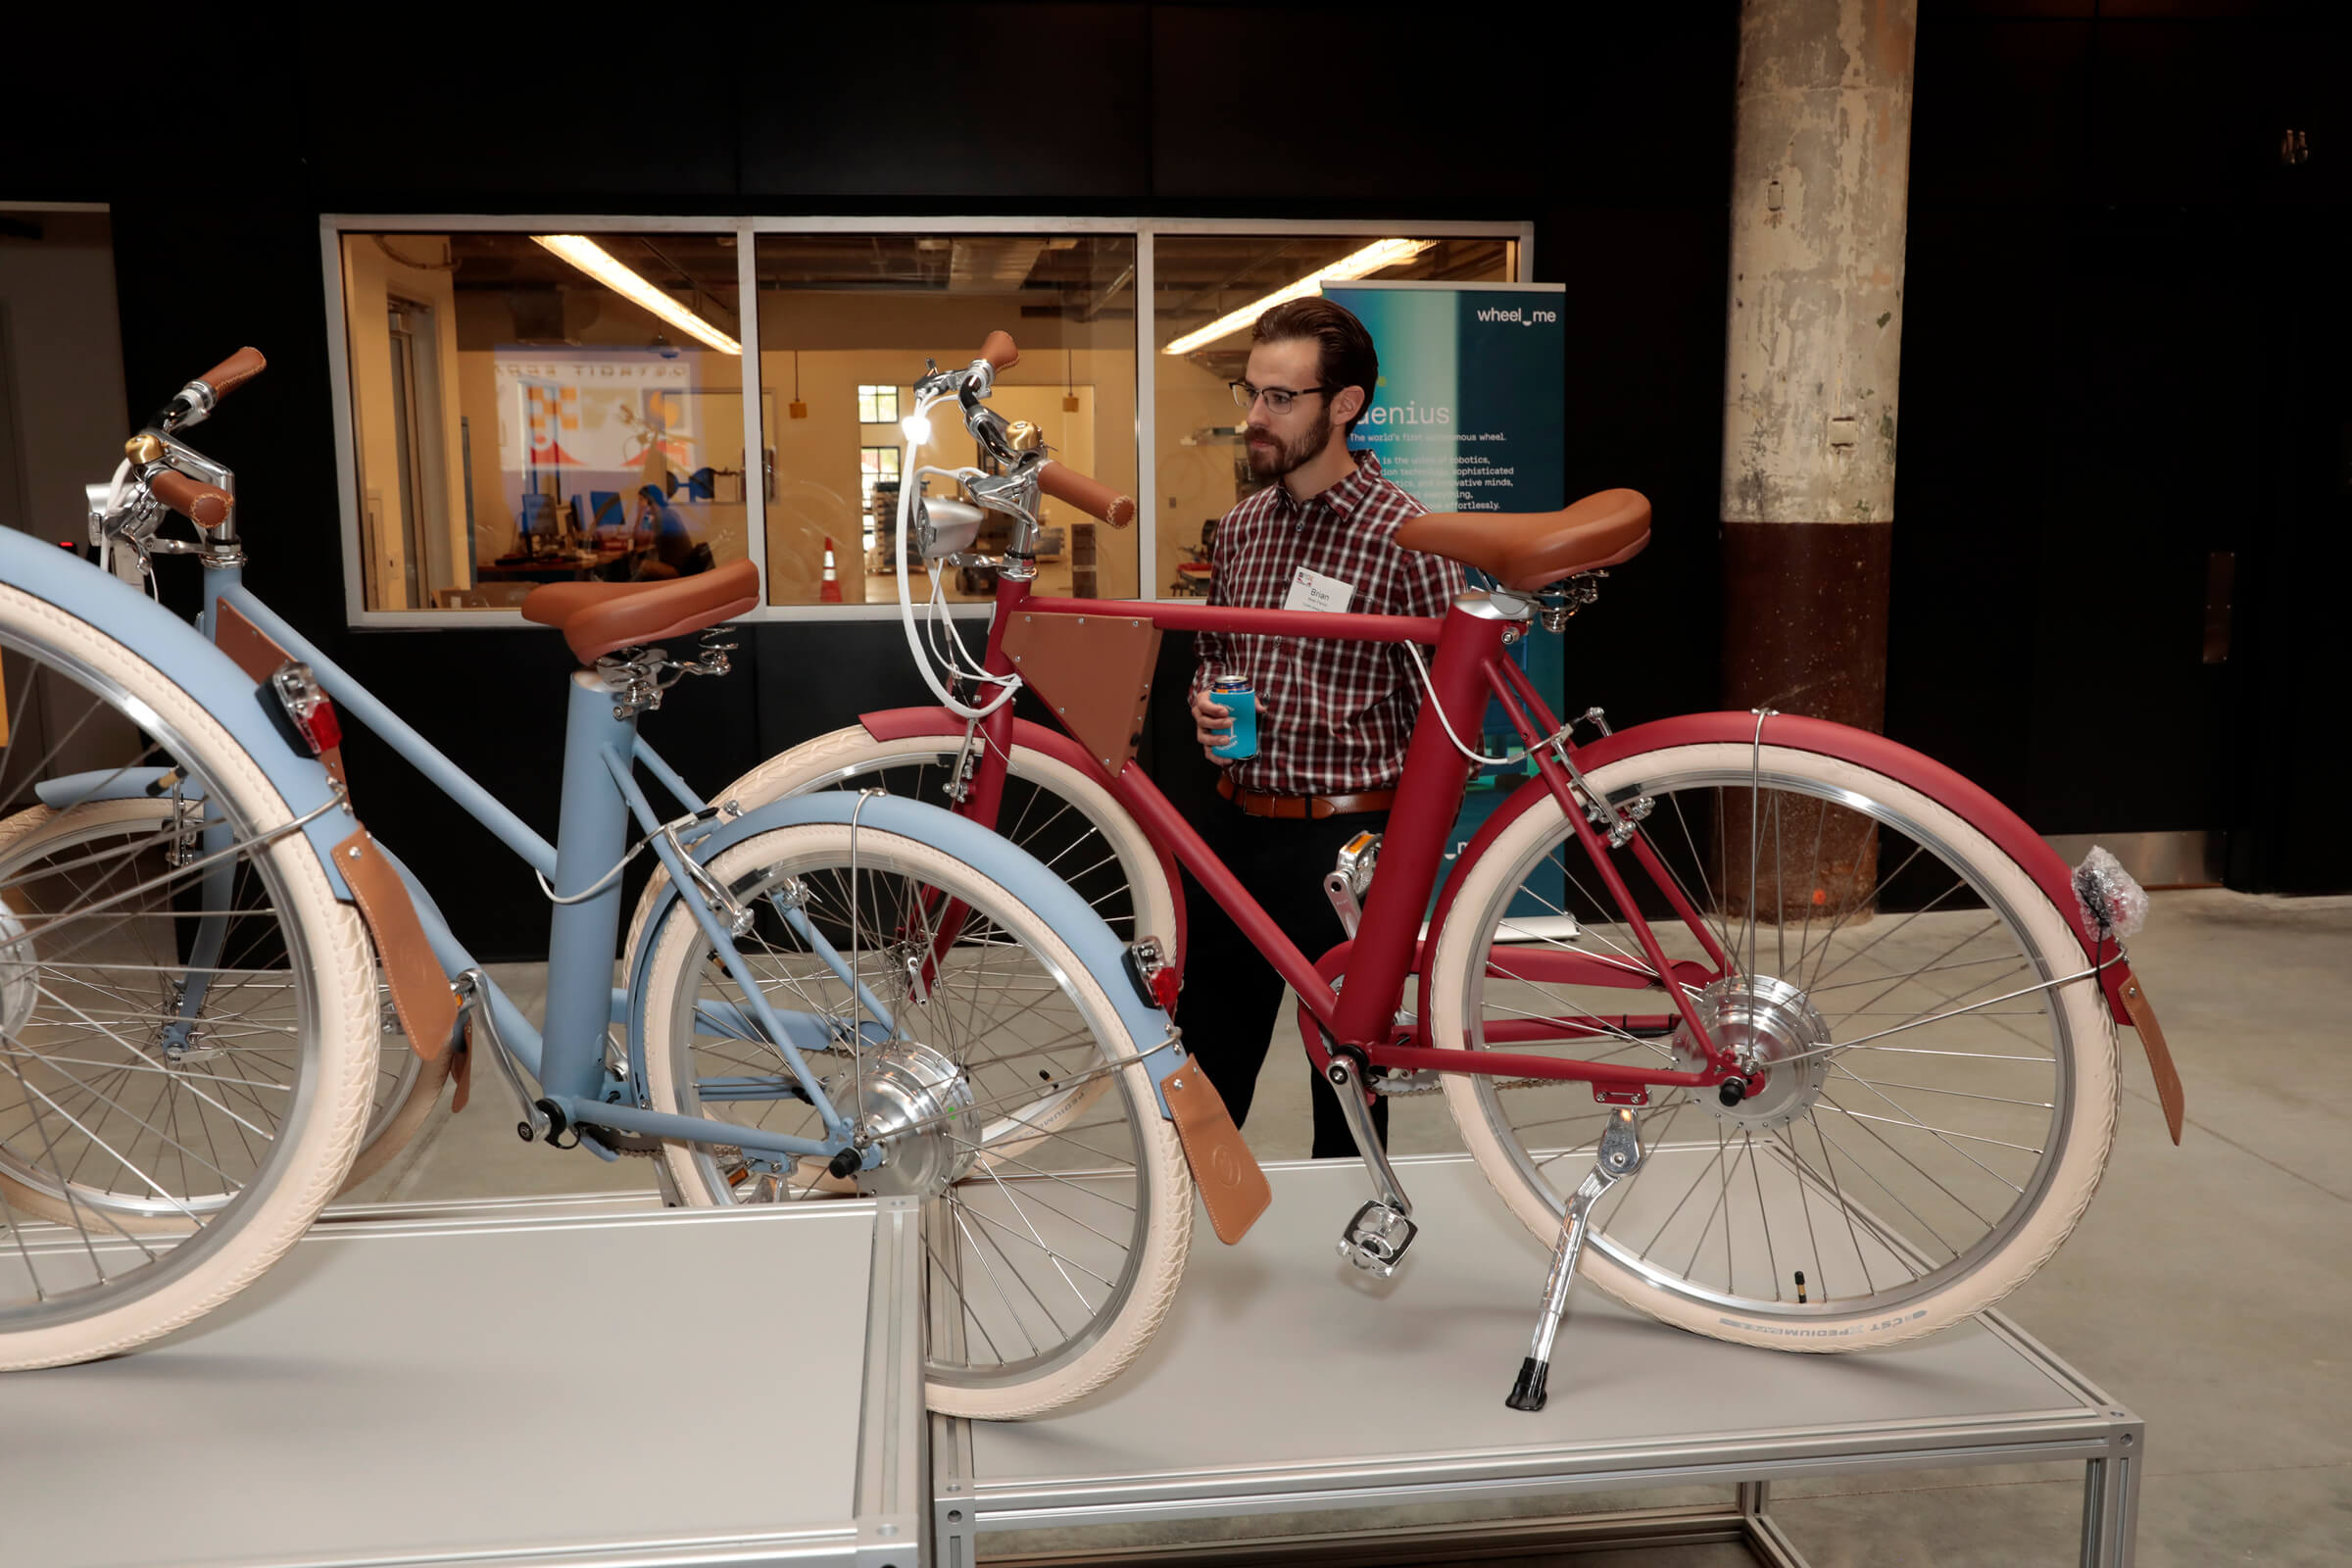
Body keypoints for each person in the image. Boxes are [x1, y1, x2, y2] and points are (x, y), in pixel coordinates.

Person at [1176, 297, 1464, 1158]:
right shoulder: (1241, 528)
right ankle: (1191, 1217)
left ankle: (1354, 1221)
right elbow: (1214, 650)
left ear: (1344, 405)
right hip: (1235, 826)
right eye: (1250, 393)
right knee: (1206, 1052)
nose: (1254, 419)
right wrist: (1205, 698)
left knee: (1344, 1070)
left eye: (1280, 398)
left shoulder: (1411, 539)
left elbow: (1448, 723)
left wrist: (1403, 866)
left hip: (1345, 842)